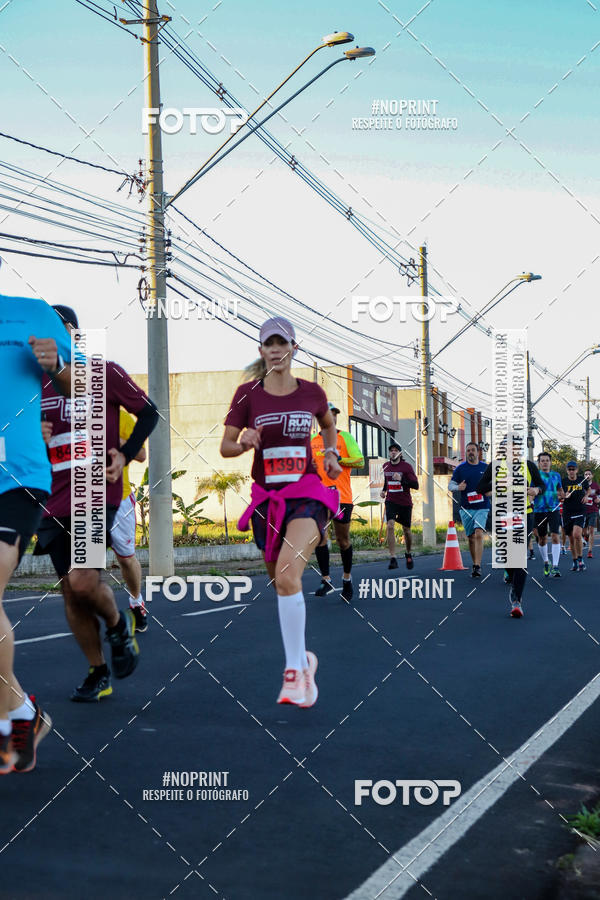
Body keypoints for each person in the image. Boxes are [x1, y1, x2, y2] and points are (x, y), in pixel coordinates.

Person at [35, 305, 158, 701]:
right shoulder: (36, 385)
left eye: (56, 328)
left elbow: (149, 413)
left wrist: (126, 453)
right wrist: (33, 433)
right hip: (53, 499)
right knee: (71, 594)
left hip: (95, 492)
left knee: (84, 580)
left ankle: (118, 625)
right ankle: (98, 671)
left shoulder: (104, 373)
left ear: (73, 332)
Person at [220, 317, 341, 708]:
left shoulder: (312, 392)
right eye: (268, 344)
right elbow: (226, 447)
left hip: (306, 493)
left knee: (289, 574)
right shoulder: (247, 395)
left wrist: (331, 453)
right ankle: (304, 661)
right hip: (267, 500)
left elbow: (327, 425)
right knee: (281, 583)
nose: (275, 350)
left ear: (293, 348)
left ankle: (293, 672)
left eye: (282, 343)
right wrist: (244, 442)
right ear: (261, 351)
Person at [0, 292, 72, 774]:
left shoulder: (32, 313)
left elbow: (83, 386)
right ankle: (21, 712)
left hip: (17, 477)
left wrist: (58, 366)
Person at [477, 442, 545, 618]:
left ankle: (517, 600)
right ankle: (512, 580)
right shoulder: (495, 466)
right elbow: (480, 488)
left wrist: (536, 489)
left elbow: (541, 485)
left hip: (524, 514)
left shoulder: (528, 465)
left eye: (515, 447)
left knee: (519, 557)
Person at [311, 403, 364, 601]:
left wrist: (339, 459)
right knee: (319, 537)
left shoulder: (345, 437)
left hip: (341, 496)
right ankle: (325, 579)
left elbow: (360, 461)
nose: (331, 418)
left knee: (343, 540)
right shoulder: (313, 441)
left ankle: (347, 579)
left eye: (334, 414)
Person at [110, 409, 148, 632]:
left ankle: (136, 601)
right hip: (86, 498)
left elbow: (141, 454)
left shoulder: (121, 417)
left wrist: (116, 440)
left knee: (125, 559)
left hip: (119, 499)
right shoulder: (71, 414)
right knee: (86, 563)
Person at [448, 442, 490, 578]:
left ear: (478, 452)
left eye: (473, 450)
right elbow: (450, 485)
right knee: (471, 537)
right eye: (468, 450)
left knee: (479, 533)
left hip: (482, 506)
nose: (470, 452)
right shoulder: (460, 468)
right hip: (466, 508)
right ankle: (474, 563)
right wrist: (458, 487)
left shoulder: (485, 468)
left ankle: (477, 566)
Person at [381, 442, 419, 570]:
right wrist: (383, 490)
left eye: (395, 450)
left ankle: (408, 553)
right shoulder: (386, 466)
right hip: (391, 501)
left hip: (405, 503)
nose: (393, 452)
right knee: (390, 525)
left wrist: (401, 480)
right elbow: (386, 482)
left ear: (400, 453)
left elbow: (416, 485)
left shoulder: (407, 467)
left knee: (406, 530)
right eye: (391, 450)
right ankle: (393, 558)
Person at [533, 451, 563, 577]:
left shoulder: (556, 475)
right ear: (539, 463)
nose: (545, 463)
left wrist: (563, 495)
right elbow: (530, 491)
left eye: (547, 460)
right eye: (542, 461)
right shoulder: (535, 476)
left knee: (555, 535)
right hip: (539, 510)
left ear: (550, 462)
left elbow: (560, 489)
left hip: (554, 509)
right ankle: (546, 562)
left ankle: (555, 566)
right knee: (542, 538)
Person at [558, 461, 590, 572]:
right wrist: (563, 496)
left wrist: (586, 496)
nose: (571, 471)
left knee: (577, 534)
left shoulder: (582, 480)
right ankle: (575, 561)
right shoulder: (563, 482)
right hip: (567, 512)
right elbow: (559, 495)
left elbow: (588, 489)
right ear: (567, 470)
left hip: (580, 510)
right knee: (571, 538)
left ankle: (581, 560)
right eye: (569, 469)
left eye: (573, 469)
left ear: (577, 470)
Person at [582, 468, 600, 559]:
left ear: (592, 476)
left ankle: (590, 551)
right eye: (586, 474)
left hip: (593, 510)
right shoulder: (581, 485)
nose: (587, 476)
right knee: (584, 531)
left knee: (591, 530)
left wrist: (598, 499)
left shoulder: (596, 485)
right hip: (583, 511)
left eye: (589, 474)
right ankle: (585, 536)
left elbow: (599, 495)